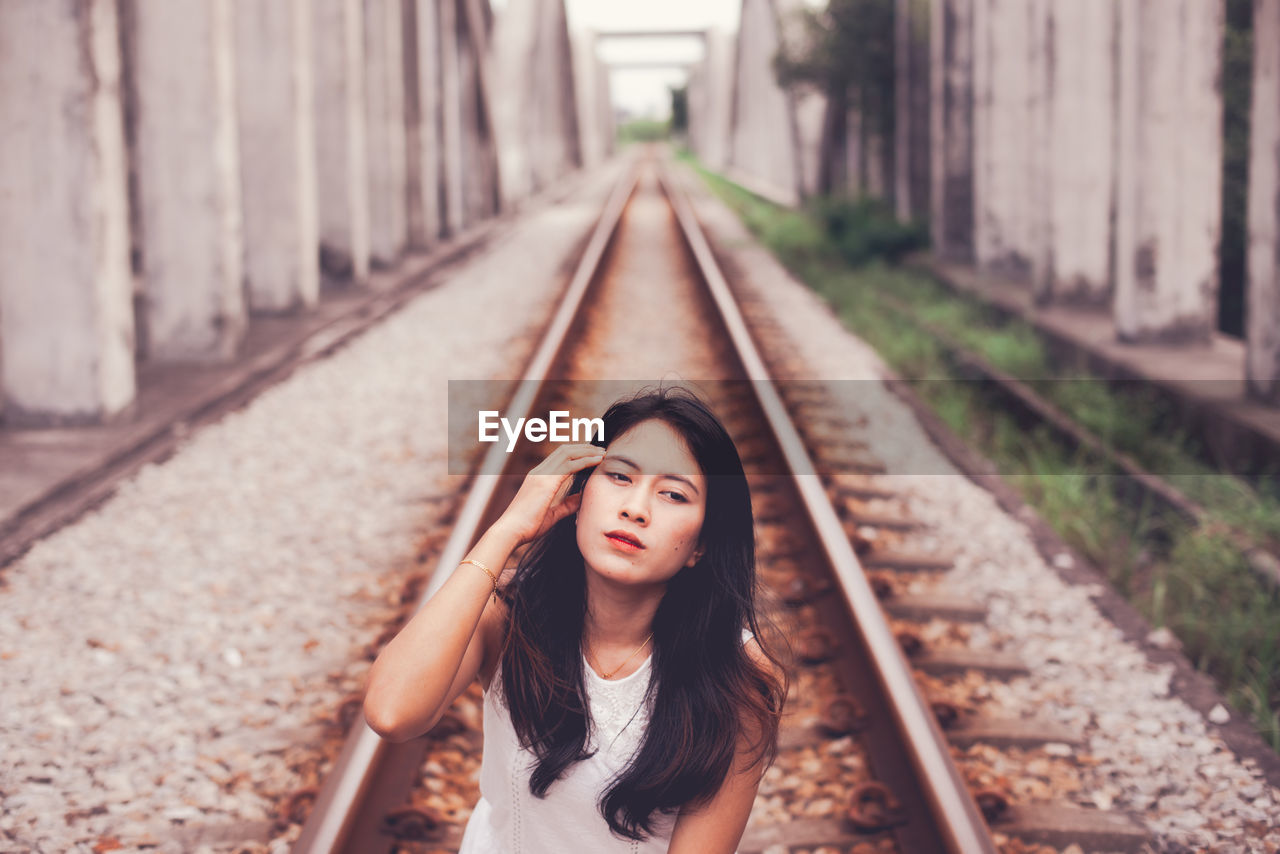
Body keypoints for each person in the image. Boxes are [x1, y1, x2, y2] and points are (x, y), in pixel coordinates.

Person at [364, 387, 790, 853]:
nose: (635, 509)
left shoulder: (737, 679)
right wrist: (507, 531)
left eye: (672, 494)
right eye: (619, 477)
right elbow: (392, 713)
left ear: (701, 545)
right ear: (580, 491)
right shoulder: (508, 616)